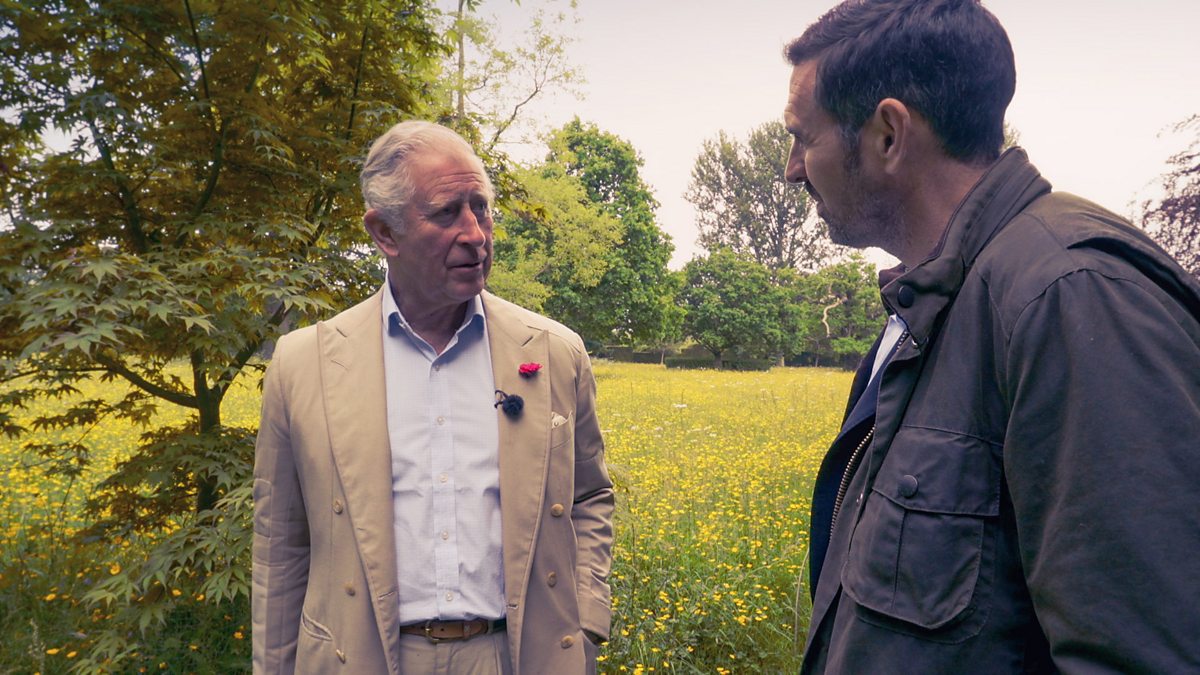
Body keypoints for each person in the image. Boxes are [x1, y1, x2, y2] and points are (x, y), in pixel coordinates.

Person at [782, 0, 1200, 672]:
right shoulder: (935, 300)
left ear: (888, 135)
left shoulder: (1072, 294)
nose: (793, 168)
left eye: (804, 137)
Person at [252, 120, 613, 674]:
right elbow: (280, 544)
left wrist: (585, 617)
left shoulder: (555, 352)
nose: (475, 234)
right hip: (361, 658)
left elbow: (590, 496)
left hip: (515, 657)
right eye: (447, 213)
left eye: (481, 208)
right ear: (385, 233)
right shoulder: (304, 365)